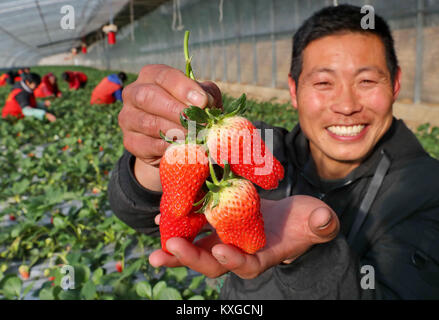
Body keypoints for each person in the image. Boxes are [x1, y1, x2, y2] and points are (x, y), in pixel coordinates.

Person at [107, 4, 439, 299]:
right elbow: (142, 213)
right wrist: (156, 155)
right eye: (324, 83)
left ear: (395, 84)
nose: (347, 105)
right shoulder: (259, 146)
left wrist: (309, 255)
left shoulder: (427, 190)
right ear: (294, 90)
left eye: (366, 81)